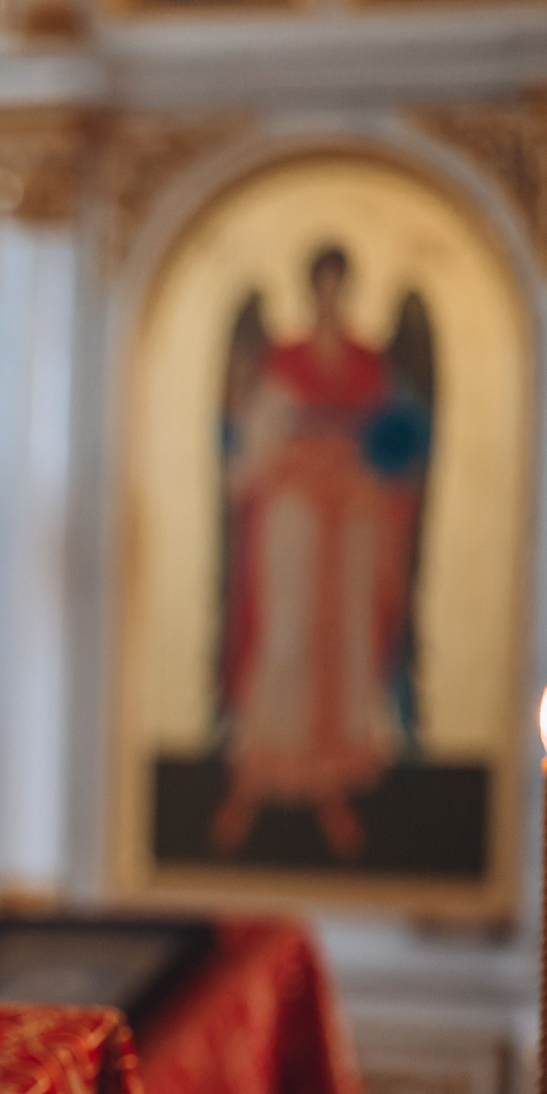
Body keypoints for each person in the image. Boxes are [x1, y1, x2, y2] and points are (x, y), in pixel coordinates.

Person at [210, 243, 434, 861]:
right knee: (287, 634)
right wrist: (254, 467)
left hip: (356, 516)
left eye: (340, 284)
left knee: (348, 640)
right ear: (311, 289)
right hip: (295, 514)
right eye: (322, 284)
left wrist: (379, 472)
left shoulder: (369, 363)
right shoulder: (285, 359)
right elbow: (257, 440)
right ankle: (258, 774)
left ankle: (333, 782)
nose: (330, 295)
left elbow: (394, 444)